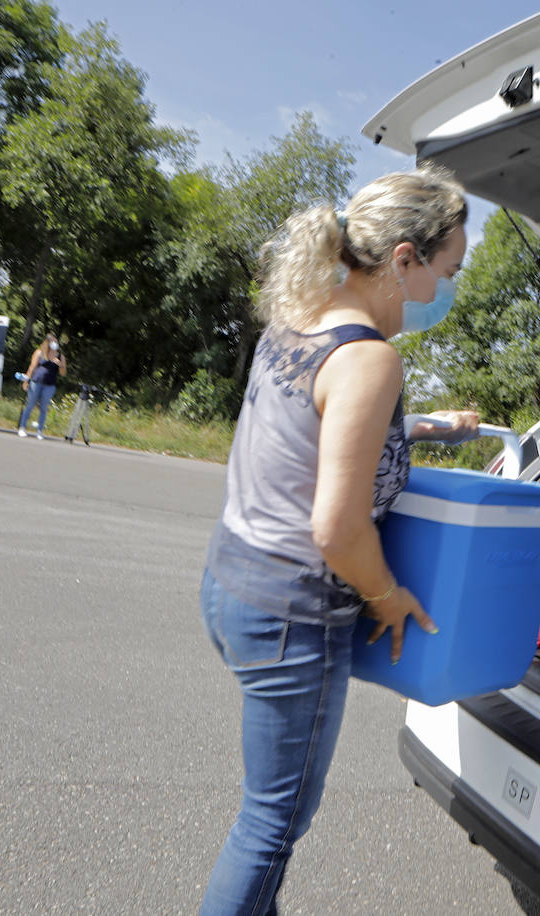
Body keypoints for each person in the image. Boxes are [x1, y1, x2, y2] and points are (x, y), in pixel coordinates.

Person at [198, 164, 476, 916]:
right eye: (446, 271)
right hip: (292, 614)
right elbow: (338, 528)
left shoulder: (299, 319)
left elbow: (312, 430)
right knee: (270, 825)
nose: (443, 290)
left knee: (266, 813)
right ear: (404, 260)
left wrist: (423, 426)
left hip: (231, 584)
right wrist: (388, 599)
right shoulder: (370, 358)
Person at [17, 334, 66, 439]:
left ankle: (39, 431)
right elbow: (32, 367)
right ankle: (22, 427)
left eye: (56, 342)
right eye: (53, 342)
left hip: (49, 385)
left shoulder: (60, 356)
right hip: (36, 382)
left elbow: (63, 373)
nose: (55, 344)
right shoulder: (39, 353)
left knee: (44, 408)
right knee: (30, 405)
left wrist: (60, 365)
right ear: (48, 343)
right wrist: (26, 381)